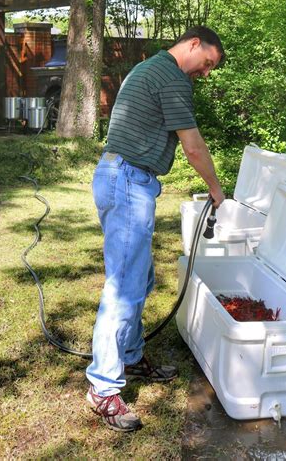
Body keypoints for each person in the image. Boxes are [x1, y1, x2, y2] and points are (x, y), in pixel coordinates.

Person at [86, 26, 225, 431]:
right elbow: (193, 145)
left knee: (139, 279)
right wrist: (216, 190)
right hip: (128, 180)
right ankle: (103, 388)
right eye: (208, 63)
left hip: (123, 177)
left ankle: (129, 356)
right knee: (124, 286)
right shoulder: (172, 78)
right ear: (194, 44)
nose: (207, 73)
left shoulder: (151, 68)